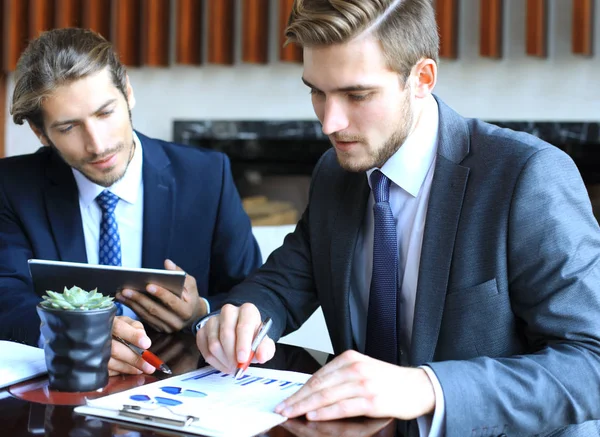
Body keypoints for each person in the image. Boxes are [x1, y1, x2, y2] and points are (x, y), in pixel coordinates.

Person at [194, 0, 600, 436]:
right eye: (316, 91)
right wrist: (244, 316)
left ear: (421, 78)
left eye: (357, 95)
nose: (330, 122)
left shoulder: (527, 175)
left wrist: (426, 388)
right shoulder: (335, 172)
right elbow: (285, 281)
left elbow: (589, 362)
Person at [0, 28, 262, 376]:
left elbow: (251, 290)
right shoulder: (12, 186)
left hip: (180, 385)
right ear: (40, 133)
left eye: (105, 113)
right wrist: (71, 332)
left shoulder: (207, 175)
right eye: (68, 128)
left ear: (127, 91)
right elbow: (6, 297)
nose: (97, 145)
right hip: (68, 389)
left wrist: (201, 312)